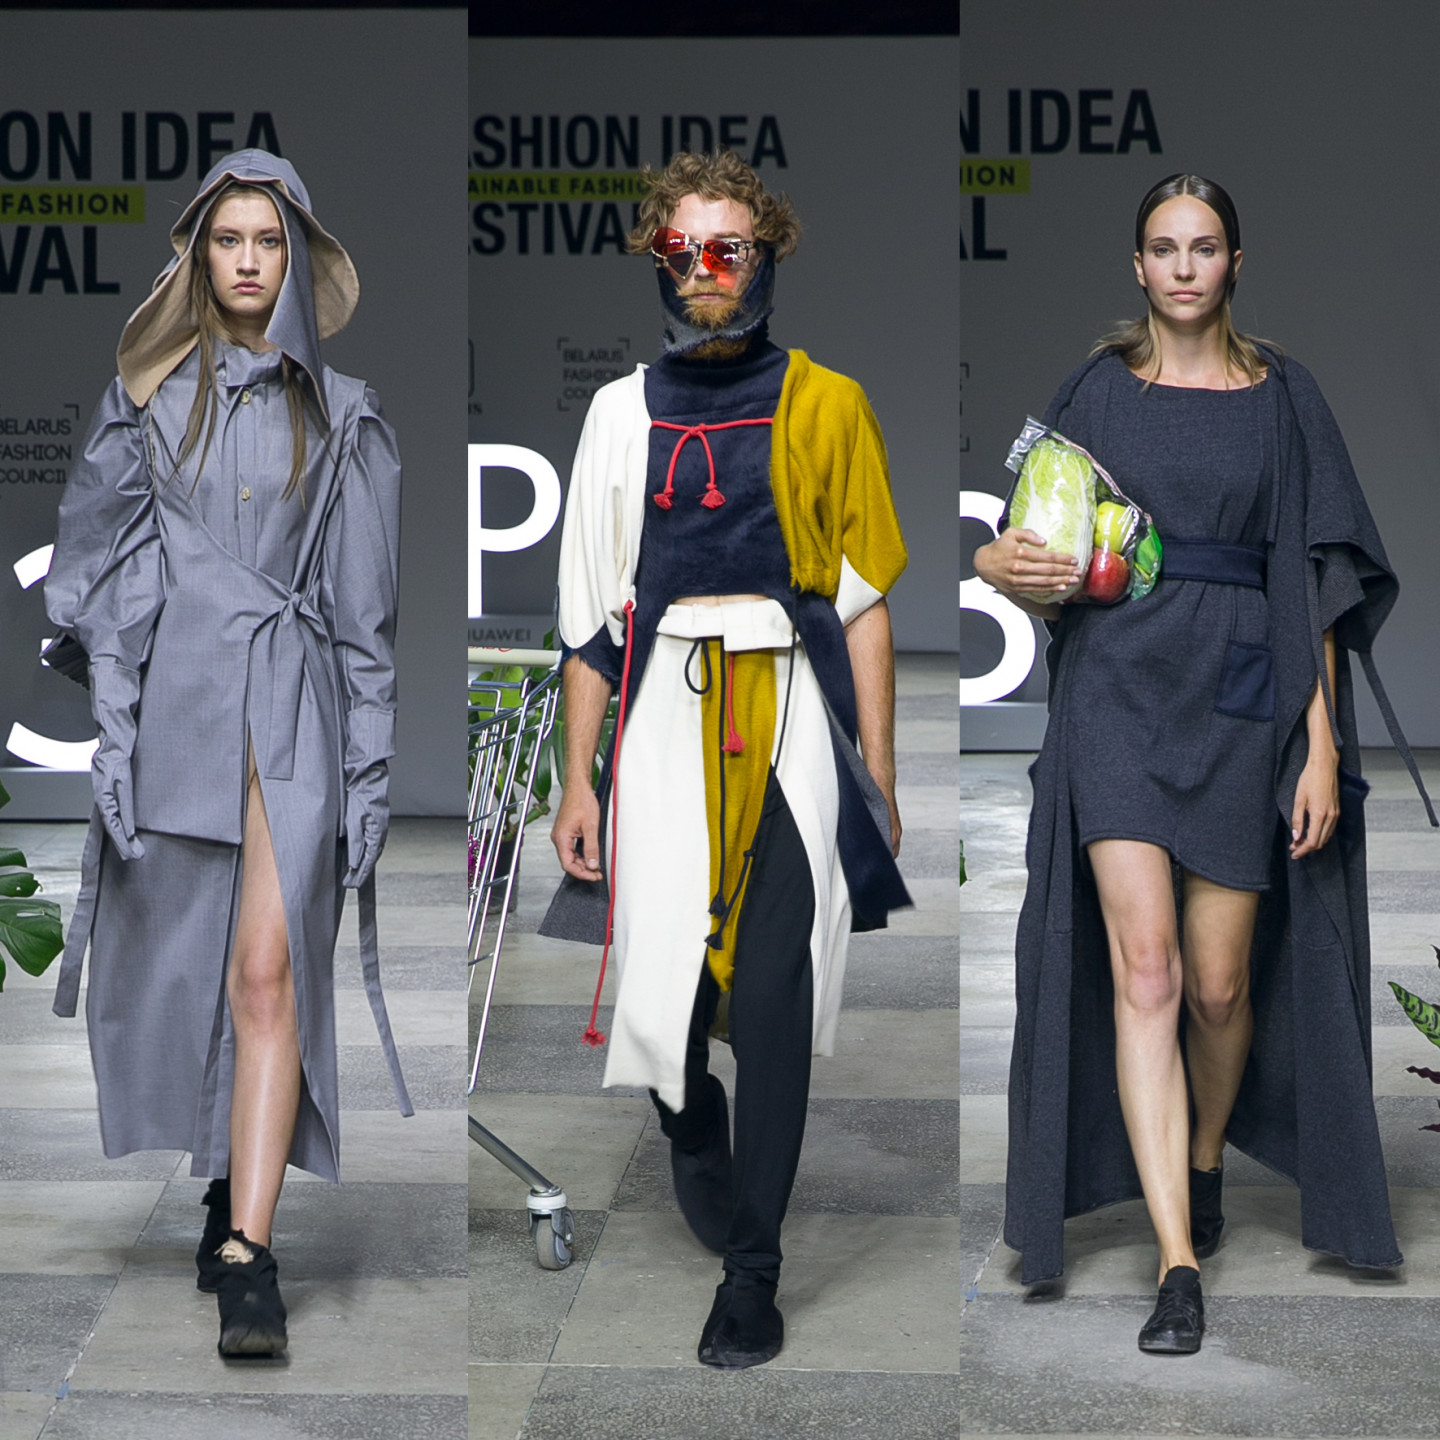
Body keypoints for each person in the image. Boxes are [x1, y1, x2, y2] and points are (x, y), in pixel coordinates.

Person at [975, 172, 1435, 1355]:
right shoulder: (1096, 389)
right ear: (1137, 266)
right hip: (1117, 691)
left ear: (1235, 263)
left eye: (1206, 246)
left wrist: (1319, 742)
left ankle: (1204, 1153)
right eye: (1164, 247)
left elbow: (1313, 579)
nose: (1184, 266)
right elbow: (1031, 535)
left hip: (1242, 695)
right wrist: (994, 566)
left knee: (1221, 987)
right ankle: (1177, 1263)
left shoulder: (1283, 396)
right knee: (1148, 973)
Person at [543, 149, 910, 1369]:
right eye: (684, 249)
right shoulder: (619, 415)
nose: (706, 269)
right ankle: (691, 1117)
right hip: (661, 719)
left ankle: (753, 1275)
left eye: (729, 248)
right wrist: (578, 779)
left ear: (766, 256)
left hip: (793, 714)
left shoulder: (830, 403)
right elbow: (592, 621)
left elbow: (864, 602)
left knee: (773, 993)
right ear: (658, 260)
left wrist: (879, 773)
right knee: (668, 995)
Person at [45, 150, 411, 1357]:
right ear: (198, 255)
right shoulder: (144, 402)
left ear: (296, 257)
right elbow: (110, 582)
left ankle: (250, 1250)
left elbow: (364, 616)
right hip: (182, 706)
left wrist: (369, 769)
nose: (249, 260)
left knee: (266, 973)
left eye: (268, 240)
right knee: (179, 967)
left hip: (293, 711)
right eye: (227, 238)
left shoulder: (344, 414)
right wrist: (112, 731)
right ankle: (223, 1185)